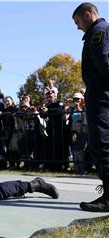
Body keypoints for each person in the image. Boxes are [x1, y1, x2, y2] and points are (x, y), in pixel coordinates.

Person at [72, 2, 109, 212]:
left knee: (102, 144)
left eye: (78, 22)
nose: (78, 27)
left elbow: (103, 62)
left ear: (88, 15)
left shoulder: (99, 32)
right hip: (100, 94)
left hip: (101, 96)